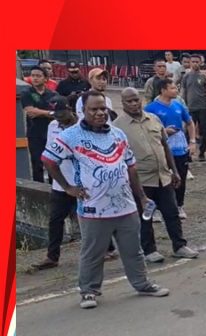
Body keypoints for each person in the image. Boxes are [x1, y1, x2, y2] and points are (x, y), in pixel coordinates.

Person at [42, 91, 171, 309]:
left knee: (134, 250)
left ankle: (142, 284)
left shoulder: (118, 134)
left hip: (125, 206)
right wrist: (68, 188)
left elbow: (130, 167)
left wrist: (141, 196)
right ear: (83, 111)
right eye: (94, 109)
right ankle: (89, 292)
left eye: (102, 108)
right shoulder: (70, 136)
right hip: (93, 209)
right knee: (93, 253)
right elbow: (48, 160)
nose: (100, 113)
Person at [113, 88, 198, 263]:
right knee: (146, 216)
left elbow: (165, 146)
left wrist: (174, 171)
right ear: (123, 103)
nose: (134, 103)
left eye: (136, 100)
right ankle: (149, 249)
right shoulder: (117, 127)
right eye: (129, 101)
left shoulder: (153, 119)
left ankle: (179, 245)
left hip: (163, 176)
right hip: (141, 180)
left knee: (172, 212)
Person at [30, 96, 78, 270]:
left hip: (81, 182)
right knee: (55, 220)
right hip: (61, 182)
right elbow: (50, 153)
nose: (59, 118)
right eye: (56, 115)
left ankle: (108, 249)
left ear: (69, 109)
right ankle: (52, 257)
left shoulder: (82, 126)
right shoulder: (53, 126)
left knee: (90, 219)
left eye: (62, 114)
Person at [145, 78, 197, 219]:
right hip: (160, 147)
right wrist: (163, 132)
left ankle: (179, 205)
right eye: (173, 88)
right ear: (163, 90)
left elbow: (190, 122)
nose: (176, 91)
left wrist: (192, 141)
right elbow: (145, 129)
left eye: (176, 88)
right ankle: (156, 209)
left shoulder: (178, 105)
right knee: (161, 178)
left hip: (179, 147)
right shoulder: (150, 109)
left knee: (181, 176)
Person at [21, 65, 58, 183]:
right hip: (35, 133)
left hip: (50, 133)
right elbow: (30, 111)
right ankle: (39, 188)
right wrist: (49, 112)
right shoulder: (27, 93)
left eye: (38, 76)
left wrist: (41, 113)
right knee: (37, 163)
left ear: (45, 79)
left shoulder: (52, 94)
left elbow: (57, 113)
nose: (35, 78)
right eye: (33, 76)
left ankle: (53, 187)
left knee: (52, 162)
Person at [181, 55, 206, 161]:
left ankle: (202, 153)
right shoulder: (186, 76)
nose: (195, 63)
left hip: (203, 107)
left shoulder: (204, 77)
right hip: (190, 107)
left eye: (197, 62)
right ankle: (188, 153)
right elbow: (183, 91)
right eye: (193, 61)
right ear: (189, 63)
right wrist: (183, 105)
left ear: (201, 63)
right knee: (188, 131)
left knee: (204, 131)